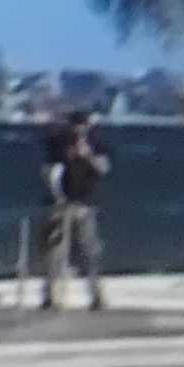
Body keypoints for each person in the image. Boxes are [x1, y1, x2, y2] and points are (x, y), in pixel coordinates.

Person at [41, 110, 109, 312]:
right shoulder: (56, 143)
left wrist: (87, 154)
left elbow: (103, 168)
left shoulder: (94, 144)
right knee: (54, 252)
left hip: (84, 203)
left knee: (90, 252)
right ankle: (51, 296)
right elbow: (49, 172)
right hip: (59, 204)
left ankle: (96, 295)